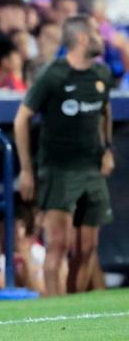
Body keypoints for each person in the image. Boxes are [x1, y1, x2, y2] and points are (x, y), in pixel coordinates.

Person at [13, 15, 114, 296]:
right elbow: (22, 119)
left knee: (88, 247)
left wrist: (107, 149)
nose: (101, 37)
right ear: (82, 38)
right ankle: (53, 311)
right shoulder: (53, 75)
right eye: (96, 32)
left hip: (92, 168)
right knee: (57, 244)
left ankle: (73, 305)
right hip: (59, 169)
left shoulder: (102, 74)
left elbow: (105, 111)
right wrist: (26, 170)